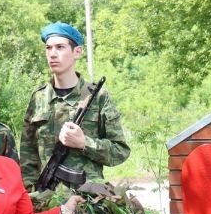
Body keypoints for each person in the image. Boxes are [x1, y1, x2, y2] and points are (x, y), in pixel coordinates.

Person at [18, 22, 129, 189]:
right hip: (46, 199)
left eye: (60, 47)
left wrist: (84, 143)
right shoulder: (39, 97)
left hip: (88, 199)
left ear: (77, 52)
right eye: (48, 48)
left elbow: (120, 151)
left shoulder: (97, 97)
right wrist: (30, 195)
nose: (52, 54)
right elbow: (28, 156)